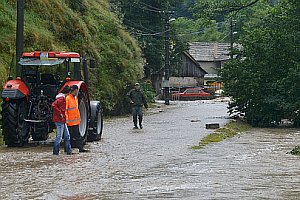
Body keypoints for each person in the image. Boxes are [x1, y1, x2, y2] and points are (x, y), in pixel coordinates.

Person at [65, 85, 89, 153]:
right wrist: (66, 120)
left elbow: (75, 109)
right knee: (69, 136)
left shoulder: (75, 98)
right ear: (74, 91)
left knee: (77, 136)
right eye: (76, 91)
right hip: (69, 122)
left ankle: (80, 148)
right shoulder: (68, 98)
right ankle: (68, 150)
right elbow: (66, 110)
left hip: (75, 121)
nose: (77, 92)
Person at [52, 86, 72, 155]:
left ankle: (69, 151)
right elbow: (54, 105)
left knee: (67, 136)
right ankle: (55, 153)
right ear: (68, 92)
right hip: (59, 120)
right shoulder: (61, 99)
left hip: (62, 120)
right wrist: (60, 113)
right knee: (59, 137)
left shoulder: (61, 98)